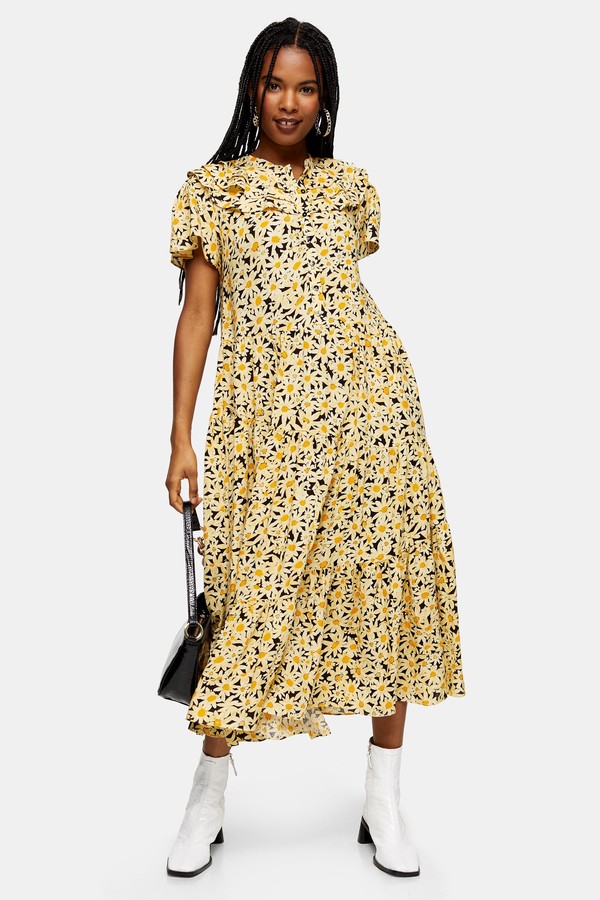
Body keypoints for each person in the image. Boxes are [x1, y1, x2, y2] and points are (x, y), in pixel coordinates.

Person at [164, 16, 465, 879]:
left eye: (306, 87)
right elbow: (198, 316)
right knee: (250, 597)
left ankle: (384, 798)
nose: (289, 102)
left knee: (382, 585)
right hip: (265, 430)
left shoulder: (350, 188)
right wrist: (179, 435)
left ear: (324, 98)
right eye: (275, 84)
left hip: (372, 415)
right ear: (251, 90)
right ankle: (207, 795)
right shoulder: (212, 191)